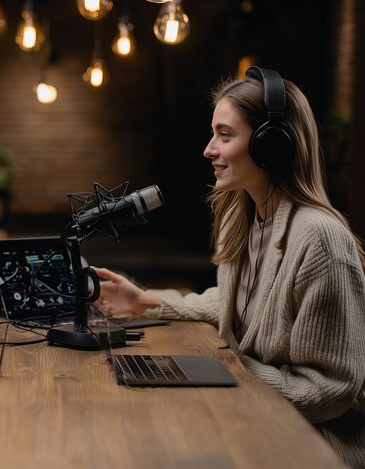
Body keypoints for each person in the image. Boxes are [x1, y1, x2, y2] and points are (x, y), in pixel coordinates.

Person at [94, 67, 365, 467]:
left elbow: (332, 390)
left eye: (225, 135)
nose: (209, 149)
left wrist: (230, 371)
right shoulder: (243, 219)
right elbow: (236, 303)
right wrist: (144, 302)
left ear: (272, 144)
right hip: (255, 420)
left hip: (313, 444)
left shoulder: (320, 239)